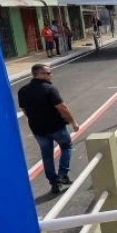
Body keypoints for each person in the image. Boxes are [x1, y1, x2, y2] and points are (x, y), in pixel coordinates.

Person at [18, 63, 81, 195]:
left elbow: (24, 110)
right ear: (39, 74)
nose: (50, 75)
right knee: (66, 146)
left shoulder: (22, 91)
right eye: (48, 73)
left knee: (47, 155)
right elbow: (62, 108)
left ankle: (54, 183)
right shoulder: (49, 89)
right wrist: (73, 122)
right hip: (56, 127)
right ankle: (63, 174)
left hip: (38, 130)